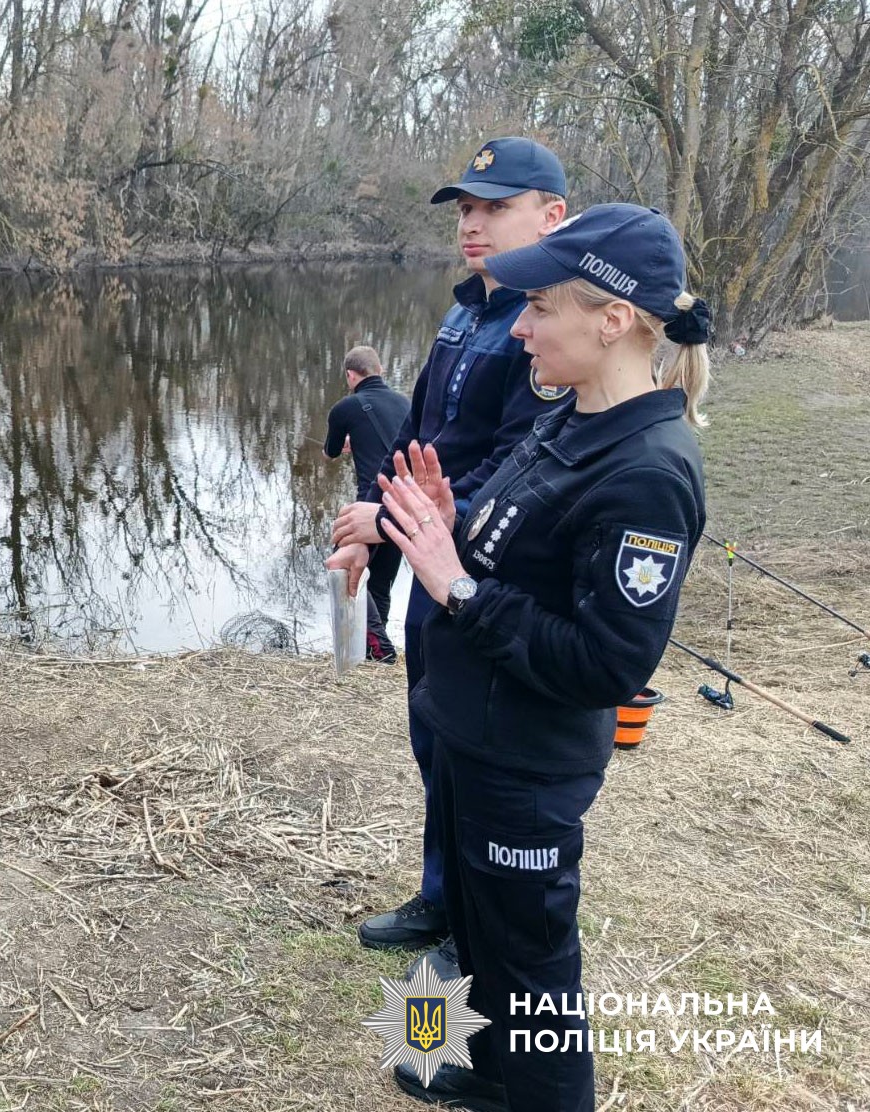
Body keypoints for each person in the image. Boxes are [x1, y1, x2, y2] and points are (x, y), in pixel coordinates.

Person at [363, 203, 709, 1111]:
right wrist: (448, 525)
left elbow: (604, 665)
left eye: (540, 309)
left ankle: (548, 1094)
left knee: (532, 963)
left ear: (613, 320)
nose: (518, 328)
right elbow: (515, 545)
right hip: (471, 733)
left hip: (526, 762)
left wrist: (456, 585)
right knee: (479, 937)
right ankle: (500, 1078)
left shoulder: (645, 471)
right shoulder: (566, 419)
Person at [327, 138, 574, 972]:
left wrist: (394, 524)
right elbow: (415, 435)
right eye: (466, 209)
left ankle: (476, 922)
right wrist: (375, 519)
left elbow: (520, 472)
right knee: (432, 738)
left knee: (473, 753)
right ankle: (442, 895)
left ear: (551, 216)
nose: (472, 224)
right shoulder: (466, 308)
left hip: (486, 576)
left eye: (494, 207)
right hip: (427, 567)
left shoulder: (547, 324)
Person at [323, 346, 410, 662]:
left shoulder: (345, 407)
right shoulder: (405, 403)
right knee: (381, 583)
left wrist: (344, 444)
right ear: (380, 369)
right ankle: (373, 655)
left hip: (370, 505)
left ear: (350, 375)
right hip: (405, 505)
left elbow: (331, 451)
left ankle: (380, 648)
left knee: (343, 564)